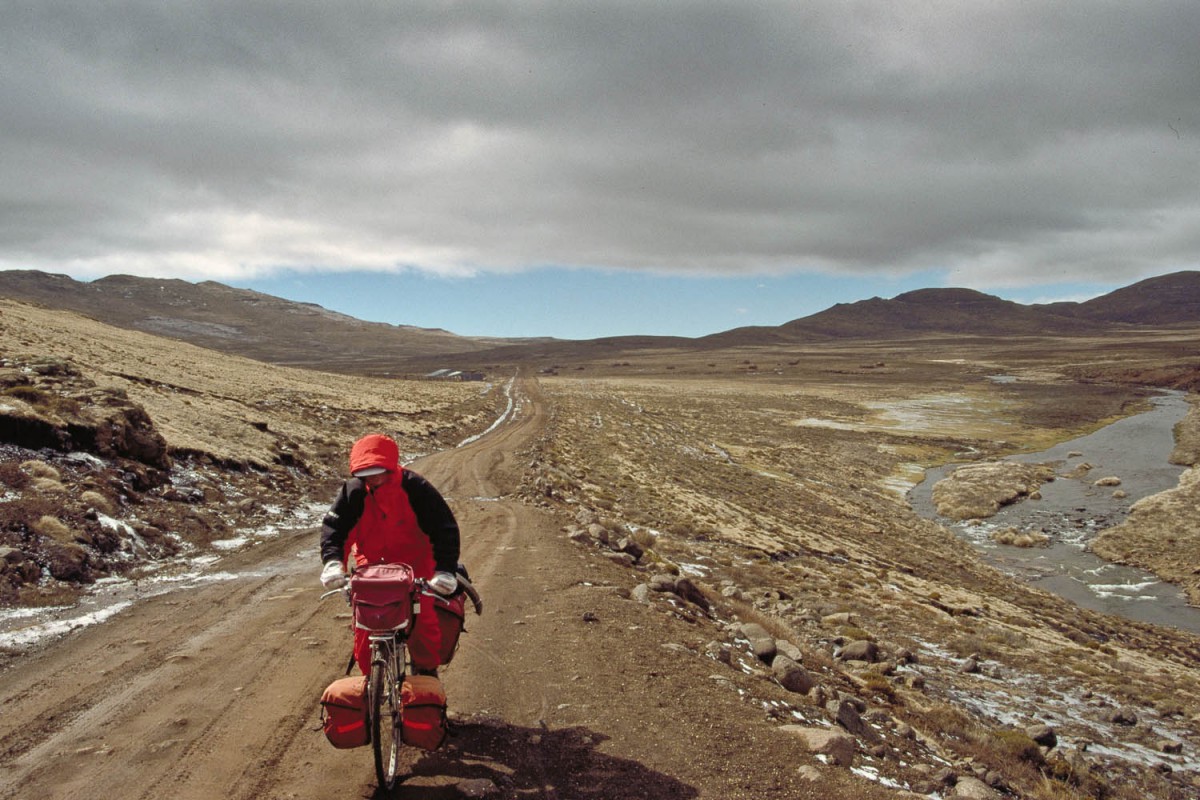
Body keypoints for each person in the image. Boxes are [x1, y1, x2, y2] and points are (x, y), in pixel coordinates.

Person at [319, 433, 460, 675]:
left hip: (416, 566)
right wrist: (333, 563)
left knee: (421, 625)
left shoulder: (416, 489)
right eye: (365, 474)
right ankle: (370, 680)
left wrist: (444, 570)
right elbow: (335, 531)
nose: (372, 479)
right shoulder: (353, 492)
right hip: (370, 569)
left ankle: (426, 679)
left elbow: (443, 530)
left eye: (377, 471)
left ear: (389, 466)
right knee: (365, 628)